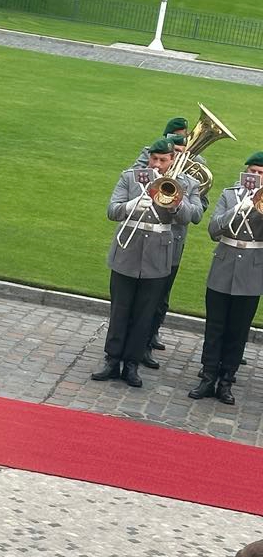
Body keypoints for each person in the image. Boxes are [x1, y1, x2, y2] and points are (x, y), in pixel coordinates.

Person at [93, 138, 199, 388]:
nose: (158, 164)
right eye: (154, 159)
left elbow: (193, 217)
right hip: (127, 251)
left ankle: (131, 364)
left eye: (163, 160)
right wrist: (131, 205)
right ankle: (112, 359)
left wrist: (176, 204)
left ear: (173, 159)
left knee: (144, 313)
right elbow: (112, 210)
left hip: (157, 254)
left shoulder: (186, 184)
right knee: (120, 309)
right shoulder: (131, 177)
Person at [188, 153, 263, 406]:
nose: (256, 176)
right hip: (223, 265)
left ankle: (227, 380)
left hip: (252, 271)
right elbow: (213, 230)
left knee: (238, 330)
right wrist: (238, 208)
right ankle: (208, 376)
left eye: (261, 173)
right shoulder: (230, 195)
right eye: (253, 171)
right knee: (215, 326)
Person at [133, 133, 207, 370]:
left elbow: (199, 209)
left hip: (172, 242)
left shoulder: (194, 174)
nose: (180, 152)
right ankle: (131, 345)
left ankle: (147, 341)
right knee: (137, 299)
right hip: (144, 241)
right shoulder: (148, 161)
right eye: (175, 148)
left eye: (181, 148)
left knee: (160, 298)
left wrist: (178, 197)